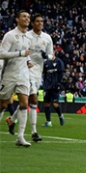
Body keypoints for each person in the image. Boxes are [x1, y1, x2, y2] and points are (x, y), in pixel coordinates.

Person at [8, 13, 54, 142]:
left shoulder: (47, 38)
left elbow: (52, 55)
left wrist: (47, 57)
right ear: (32, 23)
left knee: (26, 100)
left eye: (42, 21)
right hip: (25, 69)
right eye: (37, 21)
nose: (40, 23)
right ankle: (34, 132)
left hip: (38, 72)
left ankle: (11, 120)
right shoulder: (26, 36)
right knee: (33, 99)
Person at [0, 10, 33, 147]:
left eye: (28, 17)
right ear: (17, 19)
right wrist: (21, 54)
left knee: (24, 103)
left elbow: (27, 53)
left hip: (24, 75)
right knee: (3, 104)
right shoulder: (10, 35)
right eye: (24, 16)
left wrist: (28, 60)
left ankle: (20, 137)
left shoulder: (29, 37)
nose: (27, 19)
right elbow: (1, 54)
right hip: (10, 74)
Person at [41, 56, 66, 127]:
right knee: (46, 103)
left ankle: (60, 115)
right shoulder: (46, 63)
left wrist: (59, 83)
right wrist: (44, 84)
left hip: (55, 85)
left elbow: (61, 74)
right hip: (47, 86)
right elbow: (45, 74)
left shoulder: (59, 61)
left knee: (54, 103)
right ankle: (48, 122)